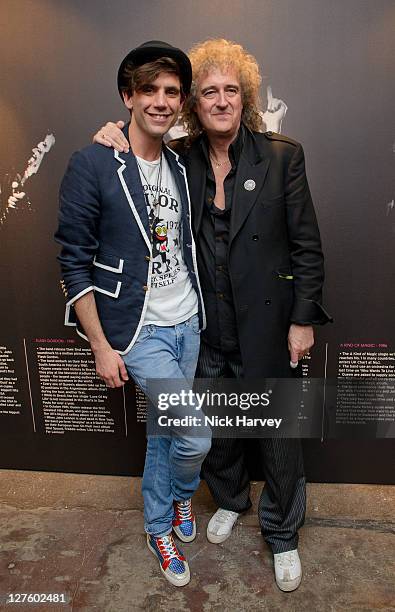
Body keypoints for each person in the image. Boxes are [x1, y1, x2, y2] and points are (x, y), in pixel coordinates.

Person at [94, 38, 332, 592]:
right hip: (204, 325)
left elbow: (307, 247)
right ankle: (228, 500)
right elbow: (135, 158)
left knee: (277, 435)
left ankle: (283, 532)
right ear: (192, 105)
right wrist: (108, 135)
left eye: (231, 90)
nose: (220, 100)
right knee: (220, 429)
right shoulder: (181, 160)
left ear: (244, 98)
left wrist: (303, 321)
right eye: (208, 92)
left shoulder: (281, 156)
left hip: (269, 325)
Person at [55, 40, 211, 588]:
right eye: (150, 90)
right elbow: (73, 262)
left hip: (188, 321)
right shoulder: (95, 162)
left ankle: (164, 513)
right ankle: (168, 516)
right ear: (128, 96)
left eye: (172, 92)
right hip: (137, 330)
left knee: (166, 433)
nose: (162, 102)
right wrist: (100, 344)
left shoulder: (181, 163)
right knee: (194, 435)